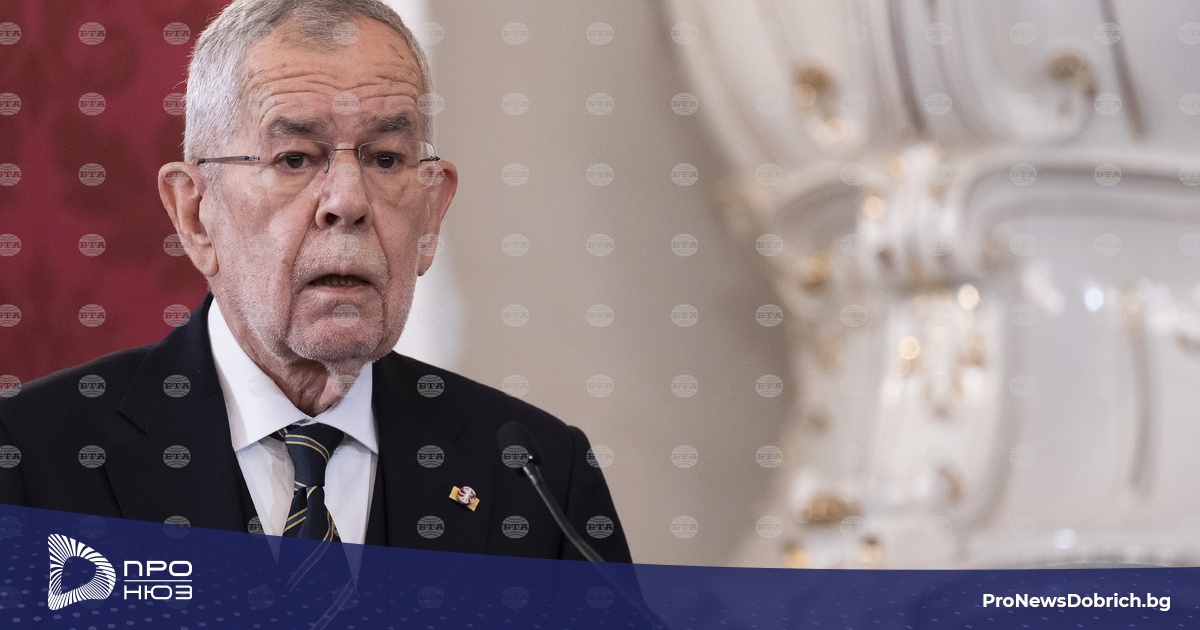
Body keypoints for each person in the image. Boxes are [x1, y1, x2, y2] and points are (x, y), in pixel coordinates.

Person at [0, 0, 630, 563]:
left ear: (432, 216)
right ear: (195, 214)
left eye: (386, 158)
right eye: (295, 158)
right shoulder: (30, 460)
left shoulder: (537, 477)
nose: (348, 202)